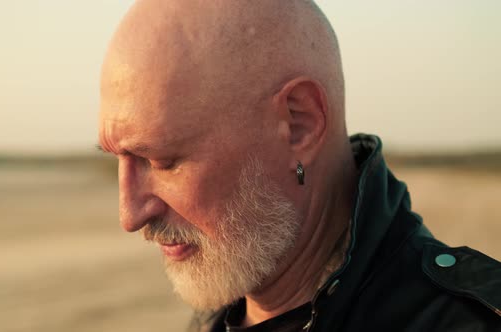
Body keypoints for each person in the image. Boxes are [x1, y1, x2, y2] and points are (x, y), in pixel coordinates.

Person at [97, 0, 501, 330]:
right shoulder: (220, 312)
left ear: (298, 124)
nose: (130, 216)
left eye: (161, 161)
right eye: (119, 159)